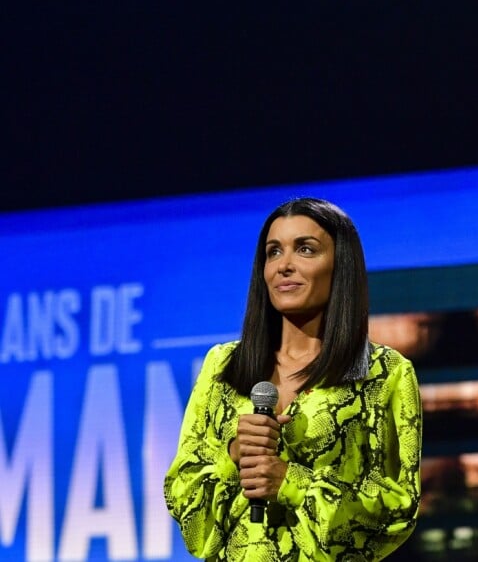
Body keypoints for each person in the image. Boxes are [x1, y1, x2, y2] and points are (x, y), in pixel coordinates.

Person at [164, 197, 422, 561]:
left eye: (305, 249)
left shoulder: (384, 372)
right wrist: (234, 456)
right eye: (273, 252)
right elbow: (183, 497)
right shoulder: (223, 364)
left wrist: (291, 482)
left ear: (340, 266)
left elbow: (397, 508)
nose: (284, 265)